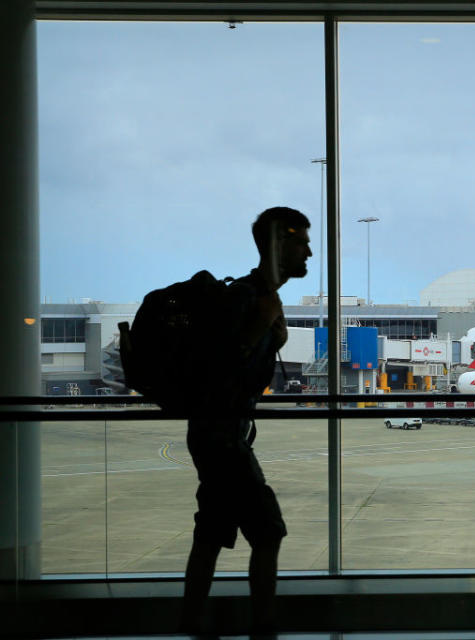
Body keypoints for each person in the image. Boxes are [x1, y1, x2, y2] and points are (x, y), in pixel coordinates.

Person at [179, 206, 312, 635]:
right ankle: (263, 627)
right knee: (267, 532)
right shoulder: (248, 300)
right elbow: (219, 369)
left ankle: (193, 622)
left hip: (219, 435)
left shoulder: (260, 299)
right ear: (278, 246)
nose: (309, 251)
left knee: (212, 531)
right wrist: (260, 330)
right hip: (221, 438)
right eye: (301, 241)